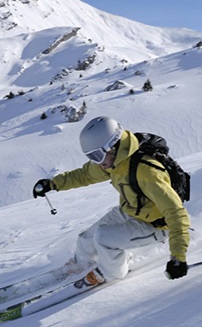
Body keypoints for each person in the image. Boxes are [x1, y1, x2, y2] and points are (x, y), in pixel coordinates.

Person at [33, 116, 191, 286]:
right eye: (91, 157)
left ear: (113, 146)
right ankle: (80, 265)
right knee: (86, 239)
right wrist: (52, 184)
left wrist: (178, 258)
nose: (97, 163)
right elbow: (85, 174)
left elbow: (176, 213)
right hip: (132, 210)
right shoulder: (114, 161)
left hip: (155, 225)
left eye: (97, 155)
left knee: (103, 238)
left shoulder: (147, 172)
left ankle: (111, 273)